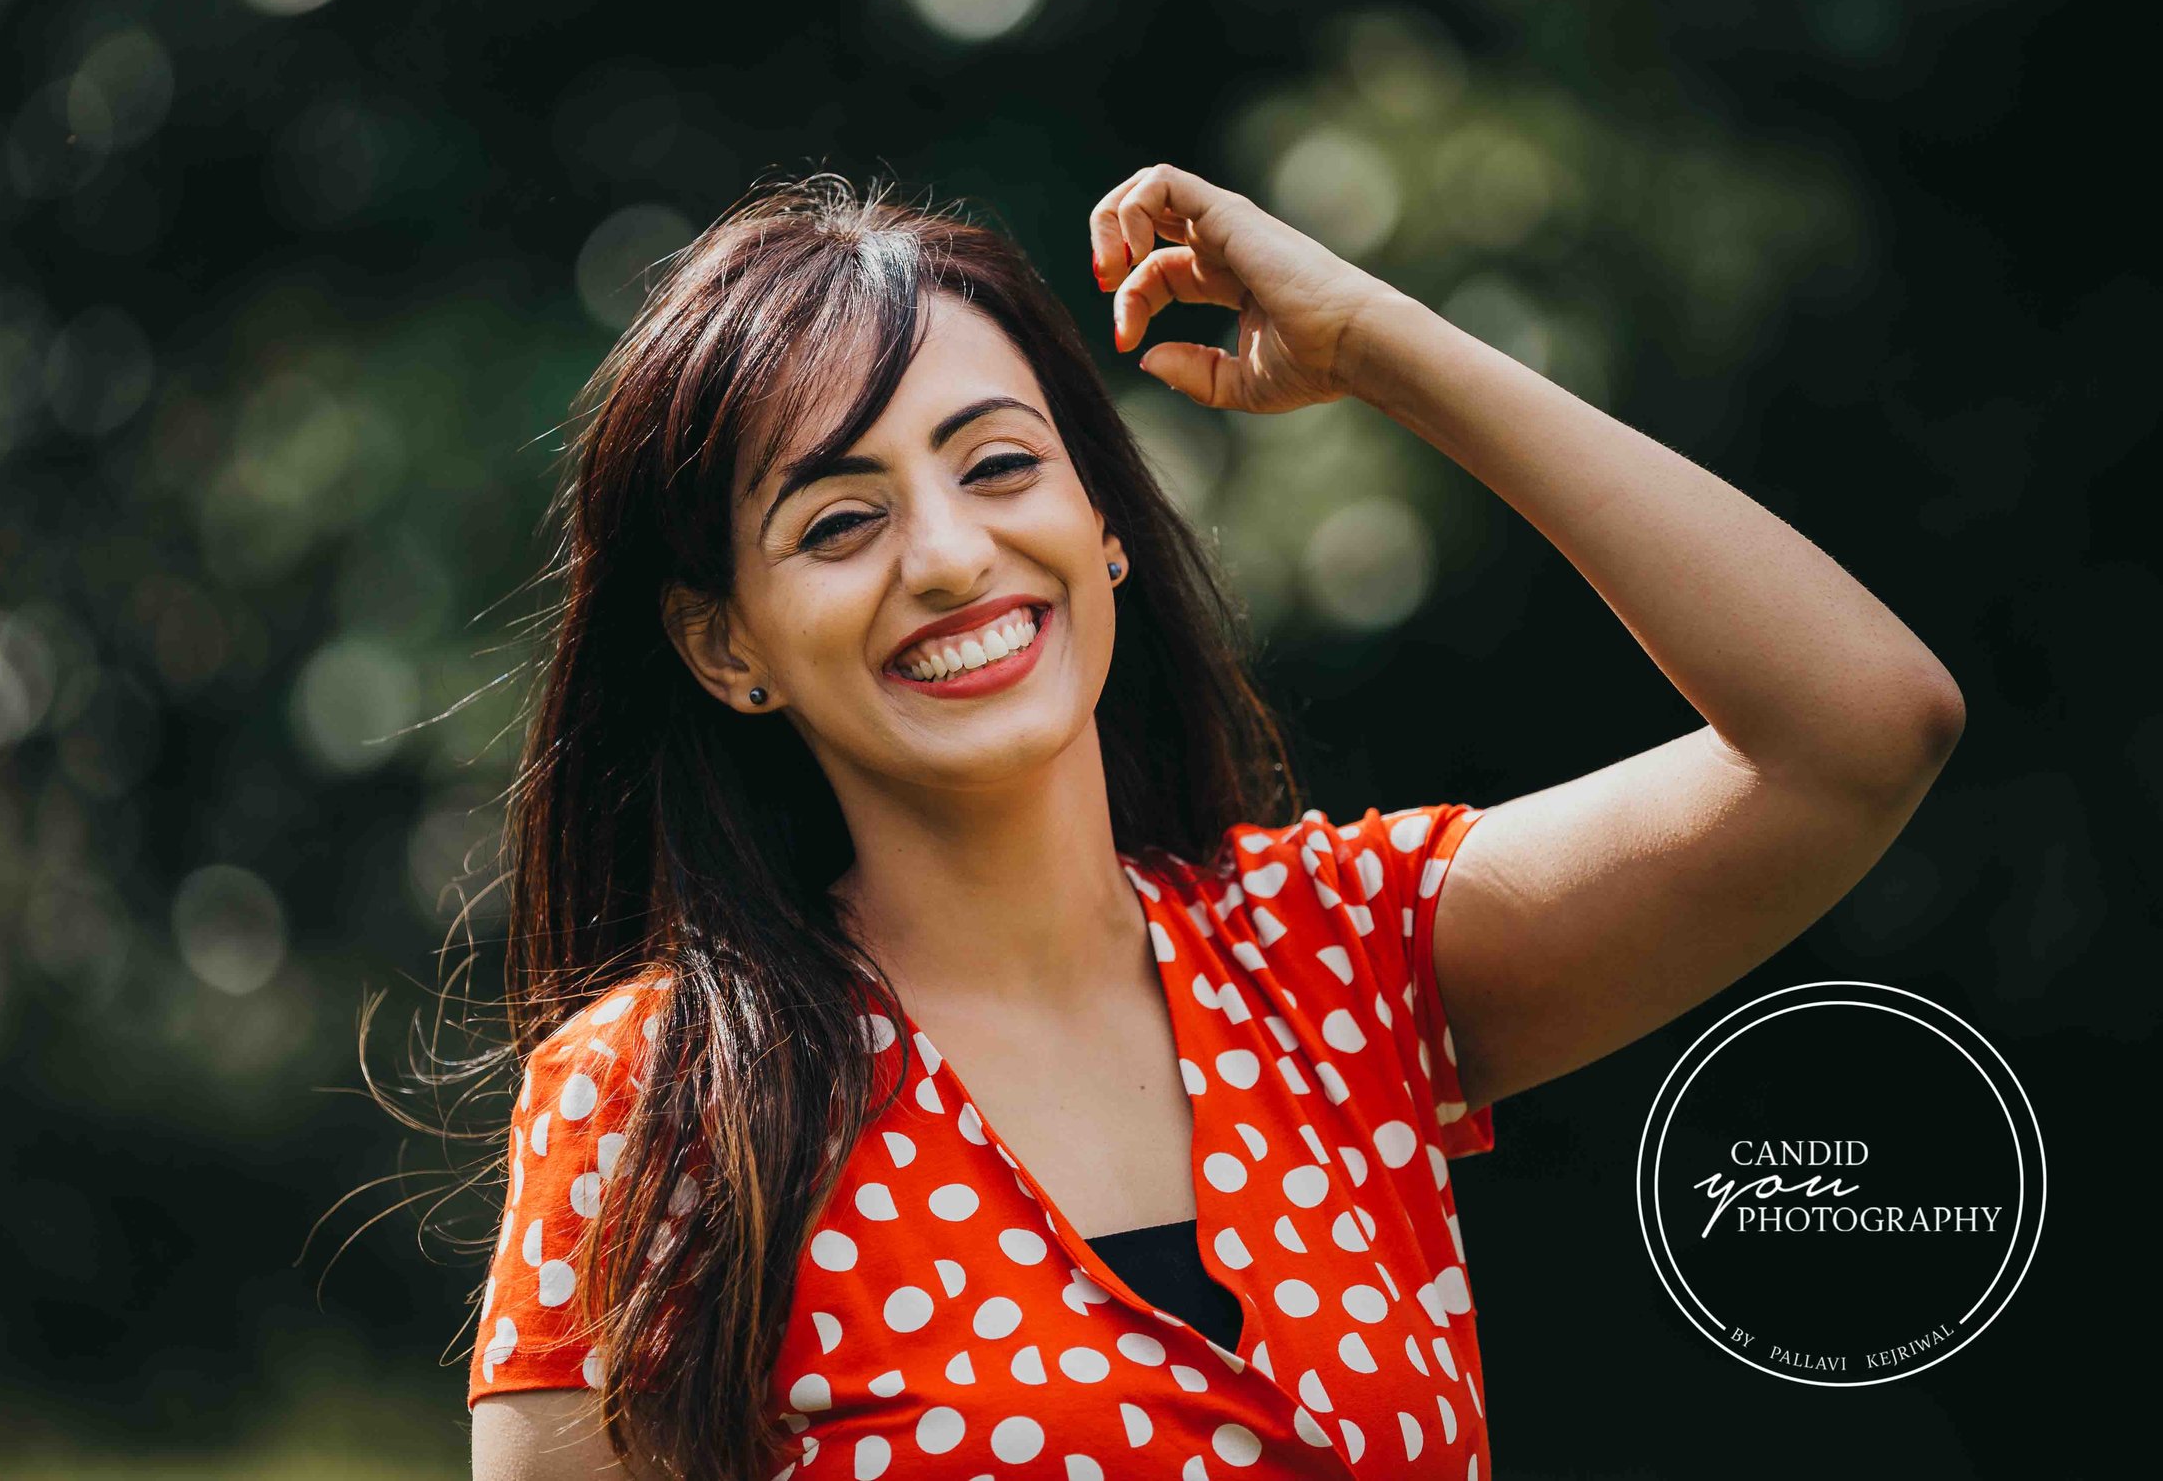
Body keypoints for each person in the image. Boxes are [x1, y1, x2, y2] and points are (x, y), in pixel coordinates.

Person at [447, 166, 1964, 1480]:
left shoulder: (1339, 961)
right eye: (841, 522)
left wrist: (1384, 347)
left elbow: (1861, 731)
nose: (952, 555)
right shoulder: (660, 1103)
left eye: (1000, 465)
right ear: (728, 647)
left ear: (1104, 526)